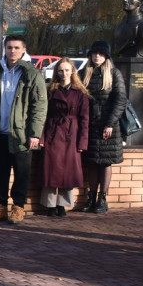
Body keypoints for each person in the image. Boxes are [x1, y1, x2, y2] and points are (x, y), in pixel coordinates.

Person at [0, 34, 47, 225]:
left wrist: (35, 133)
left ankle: (18, 207)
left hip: (21, 133)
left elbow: (39, 106)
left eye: (17, 48)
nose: (12, 51)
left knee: (21, 172)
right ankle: (0, 205)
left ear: (24, 49)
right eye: (9, 47)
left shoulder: (31, 73)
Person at [79, 41, 128, 213]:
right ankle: (91, 197)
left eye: (100, 53)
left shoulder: (114, 73)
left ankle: (102, 198)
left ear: (106, 56)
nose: (96, 56)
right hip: (90, 125)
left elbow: (120, 100)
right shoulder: (84, 73)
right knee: (92, 162)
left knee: (105, 163)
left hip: (108, 127)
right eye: (94, 53)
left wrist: (110, 124)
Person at [40, 58, 90, 217]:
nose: (64, 73)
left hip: (72, 133)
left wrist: (83, 141)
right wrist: (40, 137)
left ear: (72, 71)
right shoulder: (50, 90)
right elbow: (43, 115)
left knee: (68, 170)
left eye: (67, 70)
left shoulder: (80, 93)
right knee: (50, 169)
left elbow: (85, 119)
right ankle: (50, 205)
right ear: (56, 72)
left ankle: (63, 204)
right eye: (60, 70)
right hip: (52, 132)